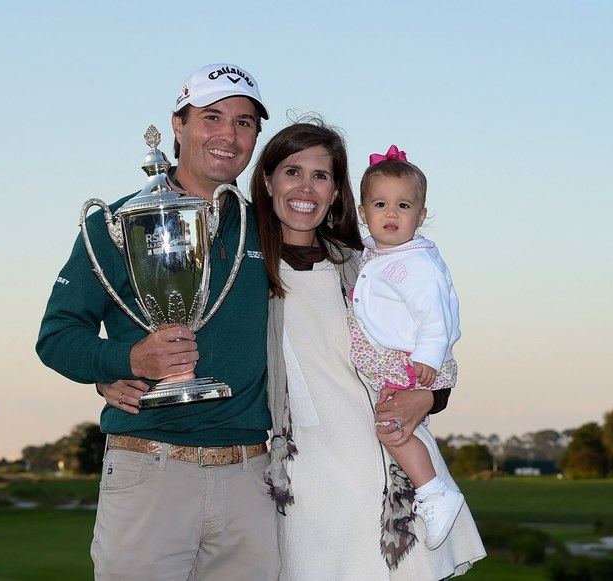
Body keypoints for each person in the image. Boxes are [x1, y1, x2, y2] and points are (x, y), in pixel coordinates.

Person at [36, 63, 280, 580]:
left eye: (244, 122)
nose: (228, 135)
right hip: (150, 467)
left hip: (251, 475)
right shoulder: (119, 224)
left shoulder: (271, 229)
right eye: (211, 117)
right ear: (178, 125)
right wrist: (122, 360)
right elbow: (57, 336)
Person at [252, 121, 485, 580]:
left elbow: (429, 343)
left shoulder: (366, 264)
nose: (306, 188)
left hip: (395, 465)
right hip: (314, 481)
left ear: (338, 191)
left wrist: (431, 395)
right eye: (292, 172)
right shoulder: (246, 270)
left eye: (321, 176)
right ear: (267, 181)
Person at [350, 145, 466, 550]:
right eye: (380, 204)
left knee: (391, 429)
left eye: (403, 205)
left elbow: (437, 314)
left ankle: (434, 493)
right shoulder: (381, 254)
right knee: (393, 425)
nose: (391, 214)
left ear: (421, 215)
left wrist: (428, 359)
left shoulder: (413, 263)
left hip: (413, 362)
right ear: (363, 212)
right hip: (398, 360)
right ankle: (433, 489)